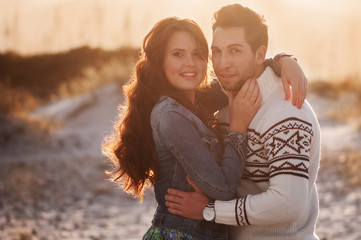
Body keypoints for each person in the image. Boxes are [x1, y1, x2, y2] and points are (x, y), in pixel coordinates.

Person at [102, 16, 308, 240]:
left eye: (198, 54)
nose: (190, 63)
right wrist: (238, 128)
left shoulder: (196, 101)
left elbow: (243, 71)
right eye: (178, 54)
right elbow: (223, 188)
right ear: (160, 60)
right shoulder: (170, 114)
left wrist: (284, 60)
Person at [165, 4, 321, 240]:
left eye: (235, 51)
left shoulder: (287, 111)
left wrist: (210, 211)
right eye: (216, 51)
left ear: (260, 54)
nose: (222, 63)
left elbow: (289, 203)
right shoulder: (226, 101)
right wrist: (282, 59)